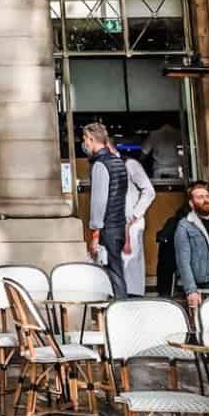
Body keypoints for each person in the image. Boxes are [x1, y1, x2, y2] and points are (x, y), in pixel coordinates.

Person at [82, 122, 133, 299]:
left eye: (85, 140)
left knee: (110, 272)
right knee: (117, 269)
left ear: (91, 138)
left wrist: (95, 233)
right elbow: (122, 195)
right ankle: (122, 305)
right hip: (118, 224)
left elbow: (99, 200)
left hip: (107, 227)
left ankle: (118, 307)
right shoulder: (119, 162)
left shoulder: (100, 165)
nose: (85, 144)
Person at [119, 152, 155, 295]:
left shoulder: (130, 165)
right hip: (116, 222)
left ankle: (134, 299)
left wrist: (135, 214)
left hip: (132, 222)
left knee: (131, 264)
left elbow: (149, 191)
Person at [143, 119, 186, 184]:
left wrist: (140, 162)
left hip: (159, 169)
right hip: (175, 169)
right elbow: (186, 151)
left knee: (159, 189)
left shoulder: (154, 134)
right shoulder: (178, 134)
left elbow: (144, 152)